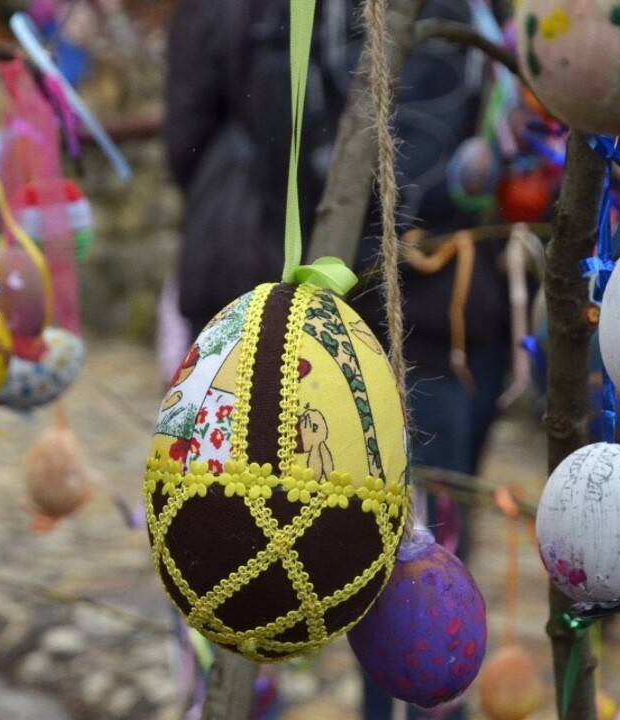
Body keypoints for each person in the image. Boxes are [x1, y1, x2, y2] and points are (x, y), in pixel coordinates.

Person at [164, 1, 507, 718]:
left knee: (416, 544)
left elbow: (196, 132)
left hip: (436, 308)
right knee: (379, 531)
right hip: (357, 297)